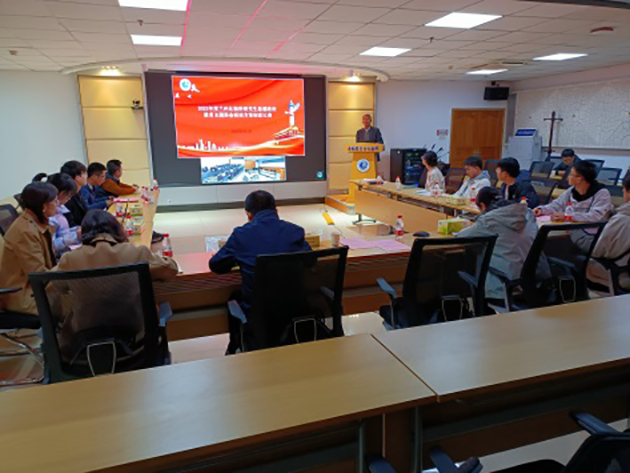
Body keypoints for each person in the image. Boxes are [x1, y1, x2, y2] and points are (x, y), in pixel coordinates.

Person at [54, 210, 178, 360]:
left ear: (83, 234)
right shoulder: (135, 253)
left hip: (84, 347)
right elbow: (171, 269)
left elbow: (49, 285)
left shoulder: (70, 259)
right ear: (118, 229)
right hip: (137, 344)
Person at [209, 190, 311, 353]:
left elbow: (216, 265)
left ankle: (236, 345)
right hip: (294, 309)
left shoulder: (241, 234)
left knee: (234, 296)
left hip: (256, 312)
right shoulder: (295, 231)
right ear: (276, 210)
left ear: (248, 214)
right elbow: (310, 260)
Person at [458, 187, 539, 304]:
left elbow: (461, 238)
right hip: (533, 284)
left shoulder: (489, 221)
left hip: (501, 287)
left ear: (482, 206)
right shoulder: (528, 214)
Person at [0, 182, 58, 315]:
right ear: (44, 207)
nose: (58, 204)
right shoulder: (25, 232)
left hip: (36, 289)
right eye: (55, 201)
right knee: (77, 302)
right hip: (26, 297)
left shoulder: (35, 223)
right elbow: (39, 275)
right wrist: (68, 265)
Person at [574, 174, 630, 293]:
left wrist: (574, 231)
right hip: (625, 269)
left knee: (573, 258)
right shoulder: (621, 217)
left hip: (620, 274)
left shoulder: (623, 219)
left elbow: (597, 250)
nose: (622, 191)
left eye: (624, 189)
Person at [534, 160, 613, 222]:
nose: (568, 177)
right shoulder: (571, 190)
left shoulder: (601, 193)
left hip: (591, 232)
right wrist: (542, 210)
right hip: (573, 227)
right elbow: (557, 205)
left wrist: (568, 217)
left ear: (579, 179)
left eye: (571, 175)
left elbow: (595, 216)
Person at [33, 173, 81, 257]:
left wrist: (77, 230)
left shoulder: (60, 209)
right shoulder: (49, 215)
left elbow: (63, 232)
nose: (69, 198)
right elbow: (52, 245)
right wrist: (75, 236)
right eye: (67, 195)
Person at [60, 160, 88, 227]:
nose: (87, 176)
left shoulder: (78, 193)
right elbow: (71, 224)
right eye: (84, 173)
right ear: (77, 177)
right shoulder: (67, 198)